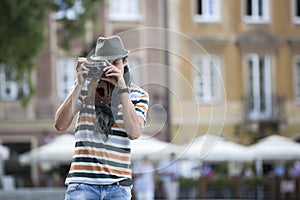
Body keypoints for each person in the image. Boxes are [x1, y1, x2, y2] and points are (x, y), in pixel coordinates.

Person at [55, 35, 149, 200]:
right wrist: (78, 84)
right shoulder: (83, 88)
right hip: (82, 183)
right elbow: (60, 125)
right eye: (104, 63)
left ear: (125, 62)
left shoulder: (138, 95)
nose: (109, 69)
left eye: (115, 63)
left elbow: (134, 132)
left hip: (118, 186)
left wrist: (121, 88)